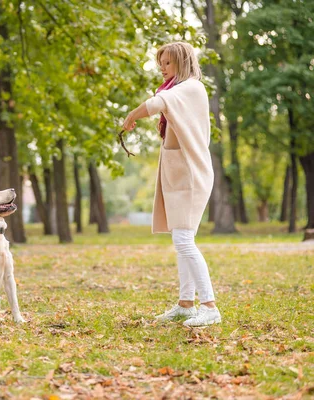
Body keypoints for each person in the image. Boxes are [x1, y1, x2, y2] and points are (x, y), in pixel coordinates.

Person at [122, 42, 221, 327]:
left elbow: (157, 104)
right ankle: (185, 304)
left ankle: (210, 306)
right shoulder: (178, 89)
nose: (162, 68)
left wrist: (132, 116)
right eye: (160, 63)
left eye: (167, 63)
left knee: (184, 240)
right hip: (178, 172)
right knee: (181, 239)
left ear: (182, 61)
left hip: (191, 174)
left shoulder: (190, 88)